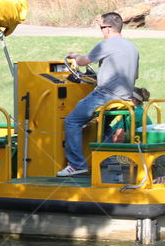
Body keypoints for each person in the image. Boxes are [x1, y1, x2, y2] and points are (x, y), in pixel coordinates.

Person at [57, 12, 139, 177]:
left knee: (72, 121)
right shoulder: (132, 47)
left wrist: (74, 56)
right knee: (105, 126)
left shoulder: (106, 45)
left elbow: (83, 62)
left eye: (101, 28)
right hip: (124, 97)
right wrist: (100, 76)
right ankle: (106, 162)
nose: (101, 31)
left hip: (105, 95)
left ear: (108, 28)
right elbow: (134, 75)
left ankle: (76, 164)